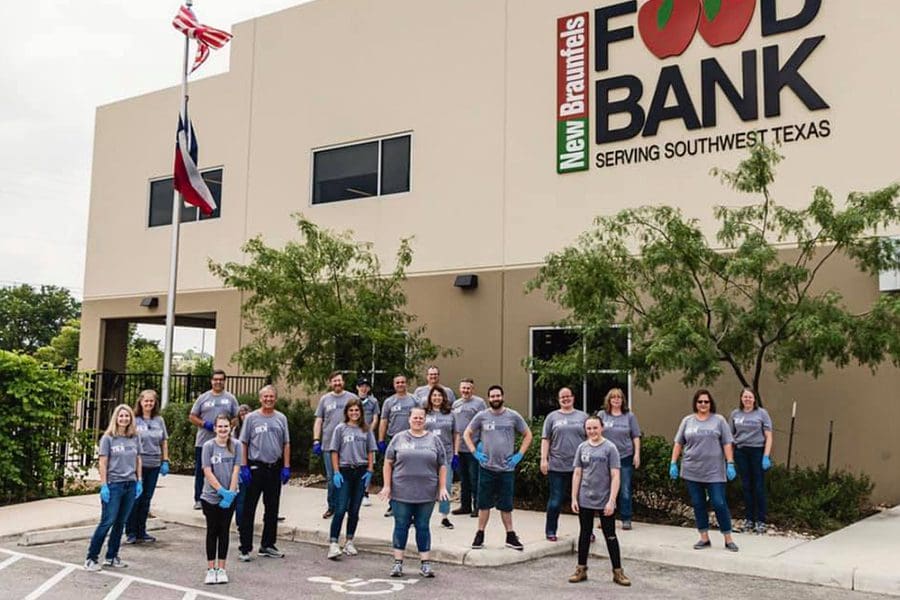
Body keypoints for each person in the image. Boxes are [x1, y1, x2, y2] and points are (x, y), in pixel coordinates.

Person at [379, 406, 449, 578]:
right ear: (409, 419)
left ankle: (425, 564)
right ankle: (397, 564)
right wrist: (387, 486)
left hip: (426, 493)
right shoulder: (398, 438)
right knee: (401, 526)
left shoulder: (434, 440)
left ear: (425, 420)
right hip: (401, 492)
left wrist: (442, 487)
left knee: (423, 527)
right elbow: (388, 463)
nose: (418, 420)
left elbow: (442, 465)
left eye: (421, 418)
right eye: (415, 417)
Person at [464, 384, 533, 551]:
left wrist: (519, 455)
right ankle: (479, 535)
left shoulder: (513, 416)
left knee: (506, 505)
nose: (495, 399)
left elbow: (528, 435)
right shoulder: (482, 416)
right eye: (492, 396)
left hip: (506, 469)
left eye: (498, 396)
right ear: (489, 398)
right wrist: (474, 452)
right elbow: (467, 434)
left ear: (502, 397)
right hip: (486, 468)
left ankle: (510, 536)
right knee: (483, 505)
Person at [670, 389, 739, 552]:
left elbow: (727, 443)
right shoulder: (687, 421)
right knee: (698, 503)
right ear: (695, 403)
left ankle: (728, 538)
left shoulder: (719, 420)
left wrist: (730, 463)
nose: (703, 404)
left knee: (718, 502)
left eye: (706, 402)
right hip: (692, 470)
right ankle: (704, 537)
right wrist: (673, 462)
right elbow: (678, 443)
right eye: (700, 401)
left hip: (714, 471)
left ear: (710, 403)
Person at [569, 415, 631, 586]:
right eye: (589, 428)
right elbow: (577, 473)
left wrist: (612, 501)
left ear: (601, 428)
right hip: (585, 498)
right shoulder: (582, 448)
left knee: (610, 535)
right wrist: (574, 497)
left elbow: (615, 475)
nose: (592, 431)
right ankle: (581, 569)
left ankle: (618, 572)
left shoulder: (610, 448)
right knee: (585, 534)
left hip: (604, 500)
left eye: (595, 428)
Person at [84, 404, 142, 571]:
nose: (124, 419)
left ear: (131, 418)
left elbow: (138, 459)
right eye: (121, 416)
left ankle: (111, 556)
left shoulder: (134, 437)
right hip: (114, 485)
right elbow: (102, 462)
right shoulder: (108, 438)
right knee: (107, 522)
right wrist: (104, 485)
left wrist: (139, 481)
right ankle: (91, 558)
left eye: (127, 416)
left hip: (130, 484)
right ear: (115, 418)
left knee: (120, 523)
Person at [238, 385, 291, 561]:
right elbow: (243, 443)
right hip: (255, 468)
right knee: (249, 508)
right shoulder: (252, 418)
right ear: (260, 398)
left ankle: (267, 545)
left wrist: (286, 466)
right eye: (265, 396)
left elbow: (286, 443)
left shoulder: (281, 418)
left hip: (274, 468)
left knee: (272, 508)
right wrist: (244, 466)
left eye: (271, 396)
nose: (268, 399)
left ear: (275, 398)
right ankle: (245, 548)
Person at [327, 398, 377, 559]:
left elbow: (370, 450)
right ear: (347, 412)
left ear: (361, 412)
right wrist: (336, 472)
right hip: (345, 470)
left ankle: (349, 541)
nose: (354, 413)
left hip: (361, 471)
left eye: (357, 410)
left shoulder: (366, 429)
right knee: (341, 508)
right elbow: (334, 451)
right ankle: (334, 543)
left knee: (354, 510)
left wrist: (370, 470)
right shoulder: (340, 429)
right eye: (351, 410)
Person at [540, 387, 587, 541]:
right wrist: (543, 459)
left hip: (579, 467)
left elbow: (591, 438)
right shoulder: (552, 417)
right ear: (558, 399)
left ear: (573, 397)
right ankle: (551, 530)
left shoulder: (583, 416)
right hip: (557, 466)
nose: (566, 399)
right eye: (562, 397)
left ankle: (587, 532)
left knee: (583, 501)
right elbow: (546, 439)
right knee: (556, 500)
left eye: (568, 396)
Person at [200, 413, 241, 585]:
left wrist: (230, 494)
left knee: (224, 531)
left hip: (229, 497)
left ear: (230, 427)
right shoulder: (208, 446)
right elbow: (207, 470)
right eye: (220, 426)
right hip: (210, 497)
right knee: (212, 531)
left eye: (226, 426)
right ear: (215, 428)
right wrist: (221, 491)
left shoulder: (237, 445)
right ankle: (211, 569)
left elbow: (236, 469)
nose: (223, 429)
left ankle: (222, 568)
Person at [189, 370, 238, 510]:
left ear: (224, 381)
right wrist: (205, 424)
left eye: (221, 379)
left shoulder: (230, 398)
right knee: (202, 470)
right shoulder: (203, 398)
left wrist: (226, 428)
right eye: (215, 379)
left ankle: (224, 494)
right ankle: (199, 498)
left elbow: (236, 417)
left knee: (224, 470)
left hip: (224, 443)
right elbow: (192, 416)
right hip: (204, 441)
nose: (218, 382)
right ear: (211, 381)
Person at [126, 390, 169, 544]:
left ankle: (141, 531)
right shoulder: (134, 420)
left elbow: (164, 441)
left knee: (146, 499)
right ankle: (130, 531)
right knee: (136, 498)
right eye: (146, 401)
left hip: (154, 464)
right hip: (138, 464)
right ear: (140, 402)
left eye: (151, 401)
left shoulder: (159, 420)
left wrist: (165, 460)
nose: (149, 404)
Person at [729, 388, 774, 534]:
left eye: (750, 397)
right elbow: (729, 437)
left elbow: (769, 436)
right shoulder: (735, 414)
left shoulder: (762, 414)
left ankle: (760, 520)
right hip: (741, 451)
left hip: (757, 451)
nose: (747, 399)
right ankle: (749, 519)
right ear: (741, 398)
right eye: (745, 397)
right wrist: (729, 460)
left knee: (759, 486)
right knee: (746, 486)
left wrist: (766, 456)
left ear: (754, 399)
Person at [313, 372, 357, 519]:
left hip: (348, 445)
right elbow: (319, 420)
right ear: (330, 383)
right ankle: (332, 506)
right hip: (328, 445)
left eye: (339, 380)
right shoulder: (325, 399)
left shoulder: (352, 398)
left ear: (343, 382)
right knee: (332, 479)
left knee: (347, 477)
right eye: (334, 381)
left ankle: (346, 506)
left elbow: (359, 420)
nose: (337, 383)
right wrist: (316, 440)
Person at [598, 388, 641, 530]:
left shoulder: (629, 416)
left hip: (625, 456)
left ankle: (626, 518)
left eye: (619, 397)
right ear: (608, 400)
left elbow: (635, 436)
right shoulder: (602, 415)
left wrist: (637, 454)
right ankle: (605, 517)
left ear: (623, 400)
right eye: (613, 398)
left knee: (625, 489)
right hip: (605, 458)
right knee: (605, 488)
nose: (616, 400)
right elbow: (594, 434)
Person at [378, 374, 419, 517]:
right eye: (397, 382)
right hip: (394, 440)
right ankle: (393, 505)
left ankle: (411, 505)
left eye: (402, 382)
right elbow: (383, 421)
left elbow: (421, 418)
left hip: (412, 439)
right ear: (394, 385)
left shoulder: (415, 400)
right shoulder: (389, 402)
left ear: (406, 383)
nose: (400, 384)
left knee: (411, 473)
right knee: (394, 474)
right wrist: (381, 440)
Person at [451, 378, 486, 518]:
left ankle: (478, 506)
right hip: (459, 448)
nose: (465, 390)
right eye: (463, 388)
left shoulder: (479, 403)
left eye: (468, 388)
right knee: (464, 479)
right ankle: (465, 506)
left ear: (473, 389)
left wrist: (482, 443)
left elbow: (484, 422)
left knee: (475, 479)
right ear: (460, 389)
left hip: (474, 447)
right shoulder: (456, 404)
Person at [424, 386, 457, 529]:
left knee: (446, 486)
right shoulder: (424, 413)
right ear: (430, 397)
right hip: (427, 454)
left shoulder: (451, 414)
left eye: (439, 395)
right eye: (434, 395)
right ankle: (421, 516)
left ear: (444, 398)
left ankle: (444, 517)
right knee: (426, 486)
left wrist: (456, 454)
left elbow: (456, 434)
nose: (436, 398)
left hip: (446, 455)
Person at [356, 377, 380, 507]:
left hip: (368, 436)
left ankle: (365, 493)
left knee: (369, 464)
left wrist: (368, 432)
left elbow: (376, 418)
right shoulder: (353, 401)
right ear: (357, 387)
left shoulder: (373, 401)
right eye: (361, 386)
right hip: (354, 437)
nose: (363, 388)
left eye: (366, 386)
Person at [232, 404, 252, 532]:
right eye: (242, 414)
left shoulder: (253, 426)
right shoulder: (236, 430)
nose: (244, 416)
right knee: (241, 496)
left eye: (246, 413)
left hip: (253, 462)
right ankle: (240, 523)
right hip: (240, 465)